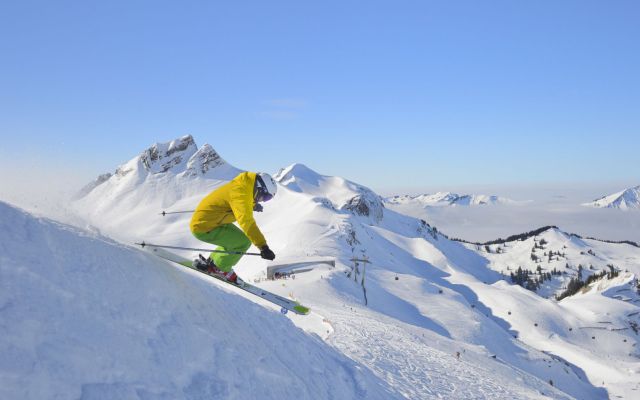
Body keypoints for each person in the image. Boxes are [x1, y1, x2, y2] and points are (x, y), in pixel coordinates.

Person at [189, 171, 277, 282]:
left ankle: (214, 262)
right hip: (204, 227)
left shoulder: (244, 184)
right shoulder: (240, 193)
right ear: (259, 188)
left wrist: (253, 205)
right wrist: (263, 247)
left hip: (212, 221)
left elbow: (244, 198)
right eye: (265, 197)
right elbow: (247, 221)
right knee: (242, 242)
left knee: (236, 240)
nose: (263, 200)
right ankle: (220, 268)